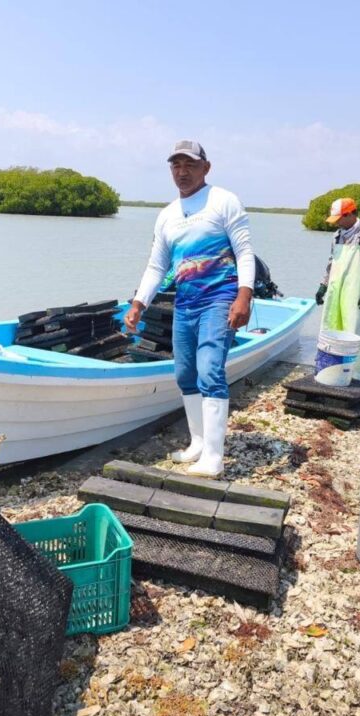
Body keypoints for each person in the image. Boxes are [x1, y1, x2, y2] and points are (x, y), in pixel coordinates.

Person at [123, 140, 256, 478]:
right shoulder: (167, 215)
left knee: (210, 369)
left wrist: (244, 296)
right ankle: (198, 442)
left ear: (205, 168)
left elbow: (244, 253)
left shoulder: (223, 201)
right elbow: (157, 266)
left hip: (220, 298)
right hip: (185, 303)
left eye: (190, 165)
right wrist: (139, 303)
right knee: (185, 374)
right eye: (176, 166)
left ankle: (214, 457)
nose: (182, 172)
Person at [314, 197, 360, 376]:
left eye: (339, 219)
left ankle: (351, 373)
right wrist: (323, 285)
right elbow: (331, 262)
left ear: (349, 214)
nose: (337, 224)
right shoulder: (337, 236)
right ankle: (328, 370)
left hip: (356, 291)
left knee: (354, 330)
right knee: (330, 326)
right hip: (336, 289)